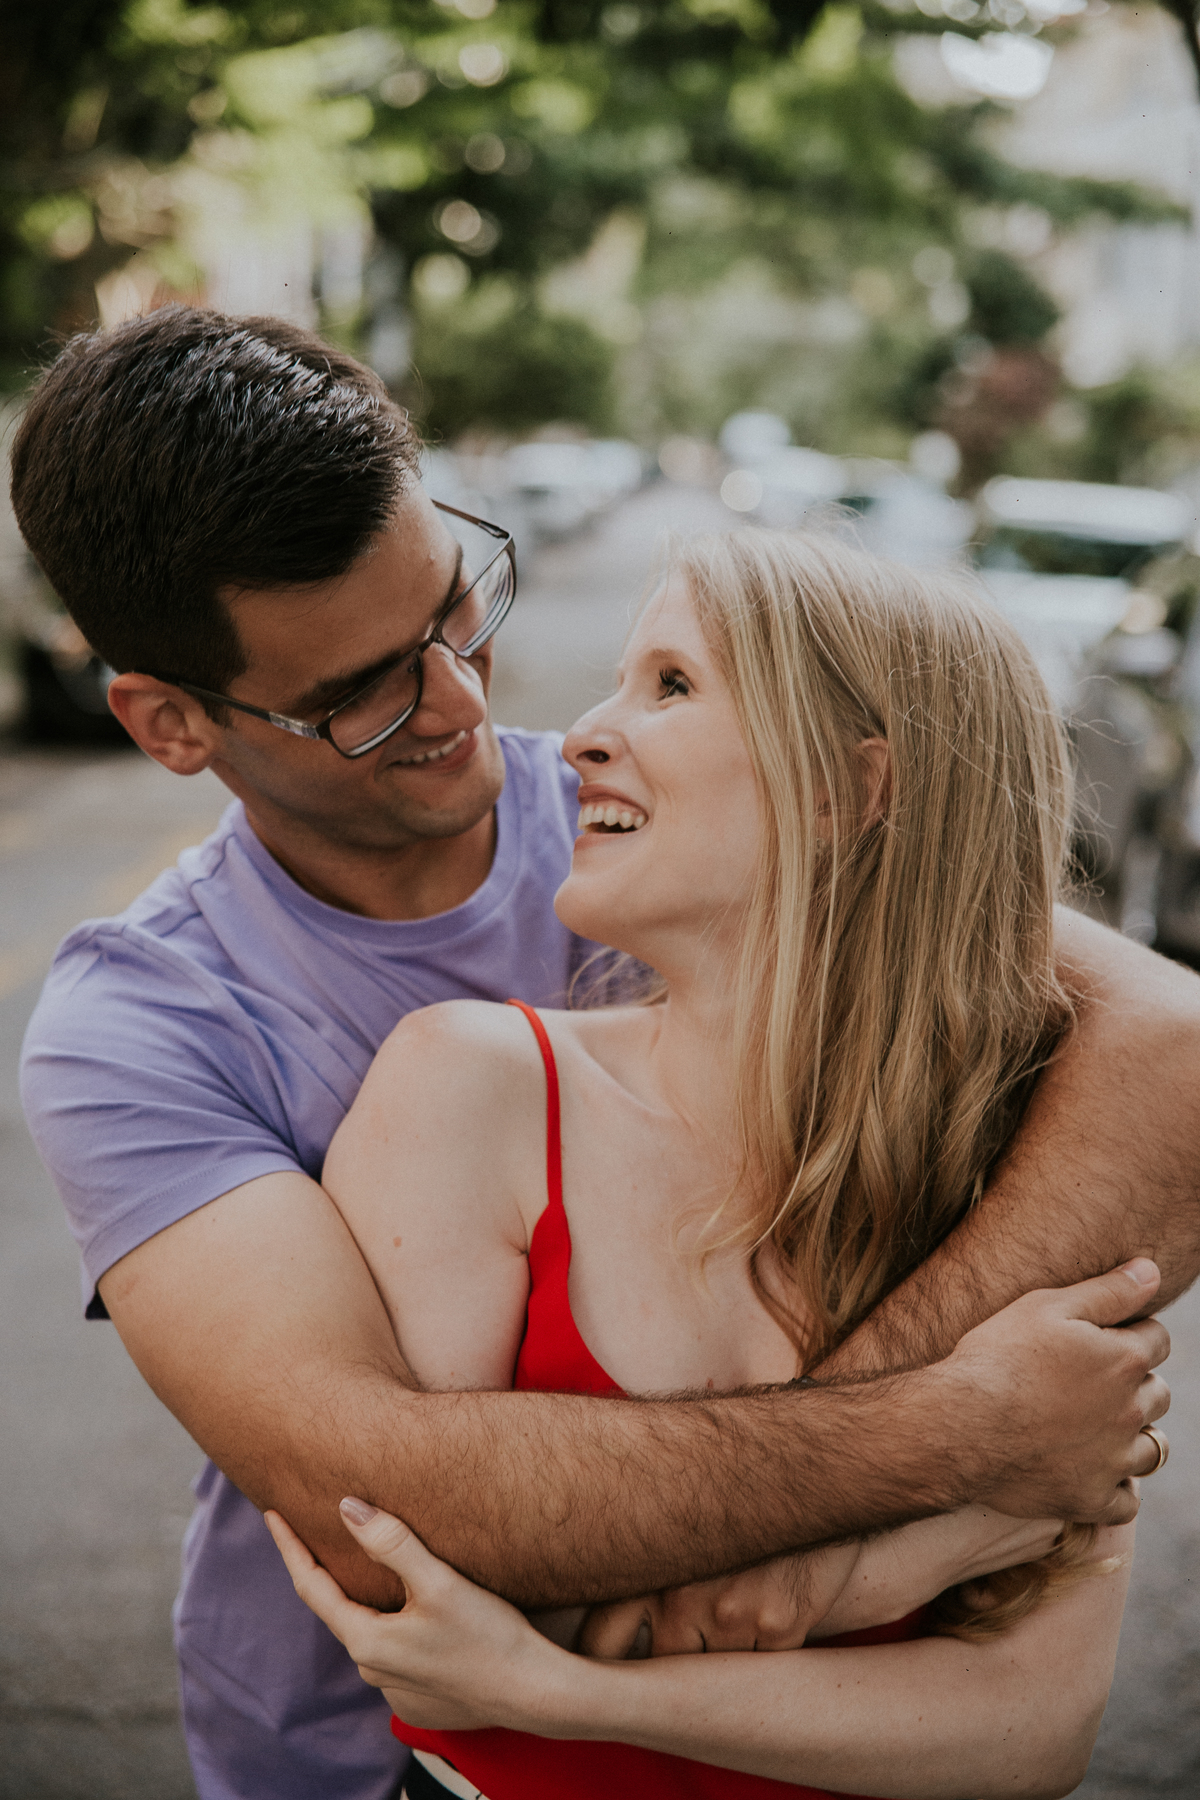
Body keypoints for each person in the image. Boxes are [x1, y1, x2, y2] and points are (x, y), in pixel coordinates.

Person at [10, 306, 1194, 1800]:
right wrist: (959, 1438)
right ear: (172, 723)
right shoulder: (142, 1027)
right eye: (359, 694)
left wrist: (846, 1556)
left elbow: (1164, 1046)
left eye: (456, 606)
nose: (461, 702)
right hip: (357, 1754)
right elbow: (375, 1495)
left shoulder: (676, 831)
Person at [265, 528, 1167, 1800]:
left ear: (852, 791)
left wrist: (554, 1689)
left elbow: (1030, 1731)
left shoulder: (1032, 1173)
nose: (577, 735)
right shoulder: (476, 1089)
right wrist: (915, 1551)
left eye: (672, 685)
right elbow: (402, 1578)